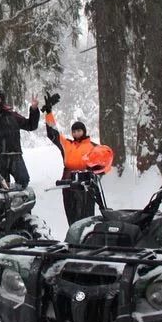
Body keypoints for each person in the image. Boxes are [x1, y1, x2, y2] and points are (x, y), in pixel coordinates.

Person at [41, 92, 114, 224]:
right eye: (74, 131)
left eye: (79, 130)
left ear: (84, 131)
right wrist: (49, 113)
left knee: (86, 218)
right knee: (72, 216)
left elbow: (105, 163)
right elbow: (53, 133)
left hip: (86, 185)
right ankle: (73, 237)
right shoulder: (67, 144)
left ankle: (87, 237)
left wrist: (98, 174)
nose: (76, 133)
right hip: (68, 184)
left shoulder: (93, 146)